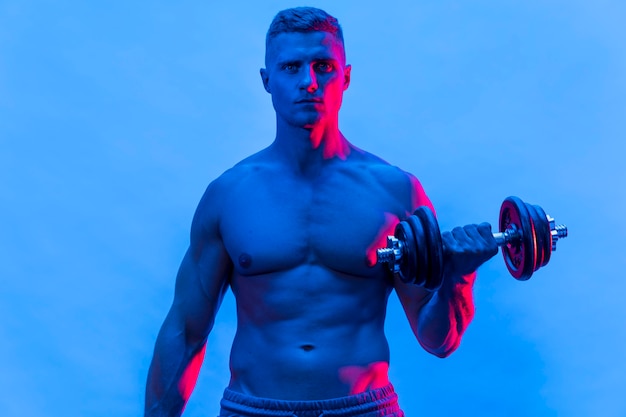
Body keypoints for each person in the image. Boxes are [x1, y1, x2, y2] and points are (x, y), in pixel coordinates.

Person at [145, 7, 498, 417]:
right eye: (291, 67)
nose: (308, 82)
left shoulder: (395, 191)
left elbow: (438, 340)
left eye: (323, 66)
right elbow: (186, 332)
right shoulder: (229, 196)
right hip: (253, 410)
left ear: (345, 77)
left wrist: (460, 277)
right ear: (267, 80)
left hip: (363, 409)